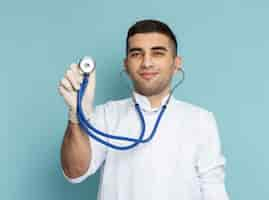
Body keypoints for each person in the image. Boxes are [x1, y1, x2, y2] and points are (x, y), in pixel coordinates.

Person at [58, 19, 230, 200]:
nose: (146, 63)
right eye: (136, 54)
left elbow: (214, 191)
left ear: (176, 63)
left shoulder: (201, 120)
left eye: (157, 53)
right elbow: (74, 172)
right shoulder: (107, 115)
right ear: (126, 64)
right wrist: (76, 117)